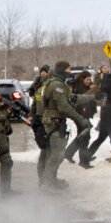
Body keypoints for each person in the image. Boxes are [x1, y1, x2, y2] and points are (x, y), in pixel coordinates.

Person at [37, 61, 90, 190]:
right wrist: (81, 119)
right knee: (58, 154)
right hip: (53, 121)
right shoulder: (57, 85)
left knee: (52, 153)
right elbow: (63, 107)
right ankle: (47, 183)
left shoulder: (58, 84)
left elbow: (71, 98)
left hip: (54, 121)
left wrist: (91, 97)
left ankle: (49, 180)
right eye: (68, 69)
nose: (70, 72)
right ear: (62, 70)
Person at [63, 70, 99, 168]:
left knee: (82, 136)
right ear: (82, 79)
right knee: (85, 137)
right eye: (87, 79)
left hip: (85, 114)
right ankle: (83, 161)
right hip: (80, 115)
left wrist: (92, 85)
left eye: (90, 79)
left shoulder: (85, 85)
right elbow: (84, 97)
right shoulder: (78, 87)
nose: (89, 81)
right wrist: (93, 89)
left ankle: (69, 153)